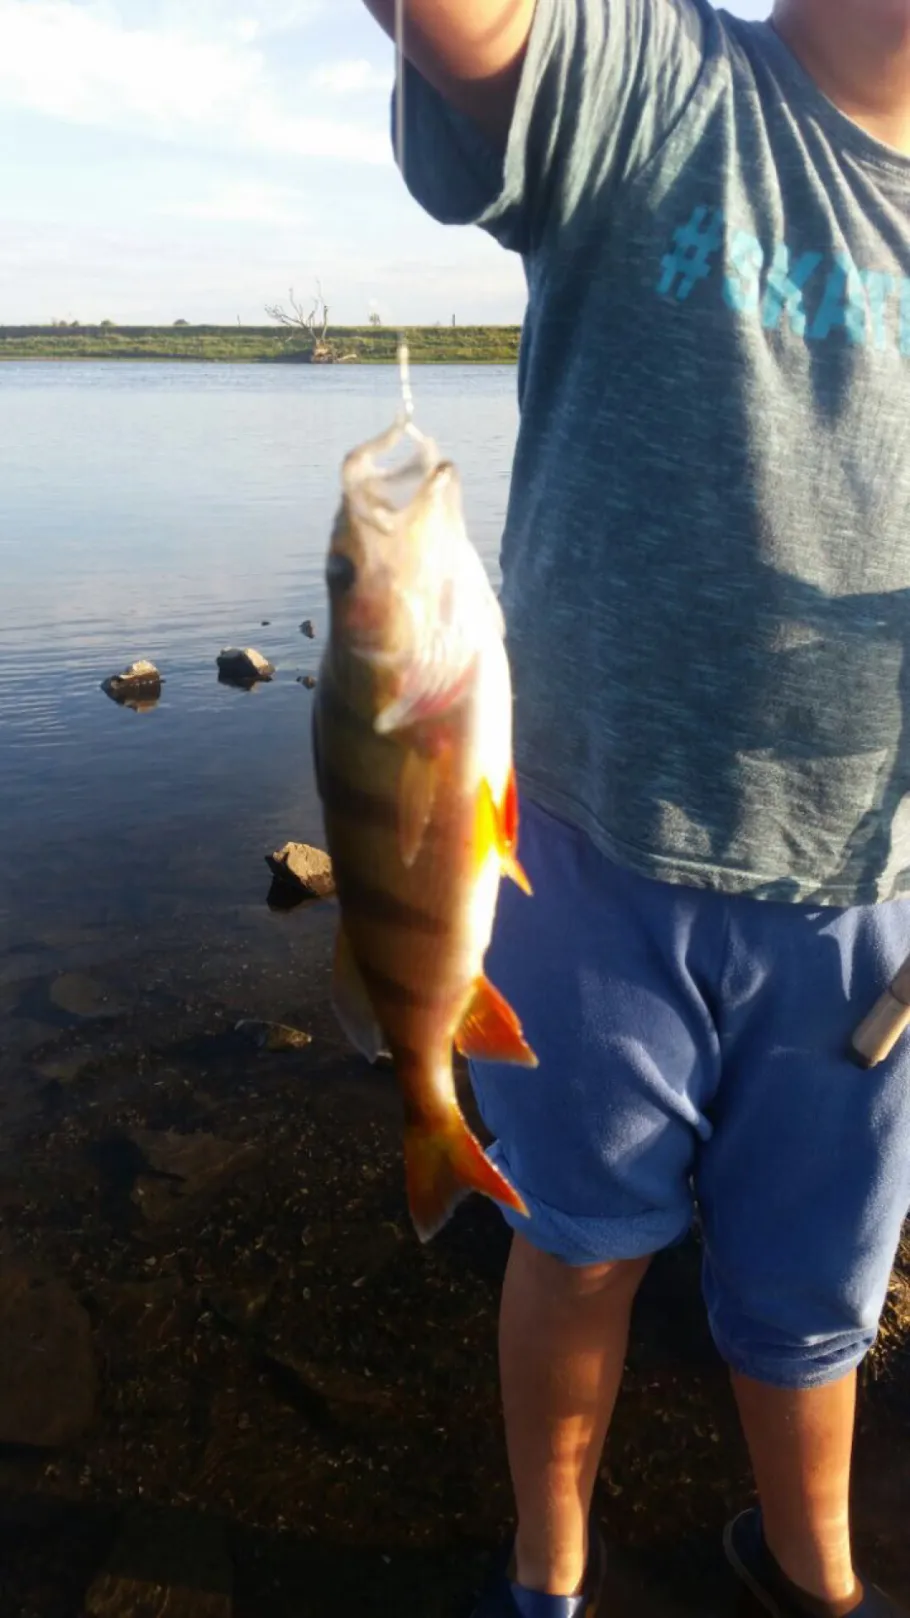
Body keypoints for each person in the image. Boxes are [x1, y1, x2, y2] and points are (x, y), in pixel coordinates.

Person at [360, 3, 910, 1615]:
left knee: (815, 1293)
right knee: (578, 1235)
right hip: (583, 846)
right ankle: (552, 1569)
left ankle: (808, 1573)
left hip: (873, 893)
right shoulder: (655, 78)